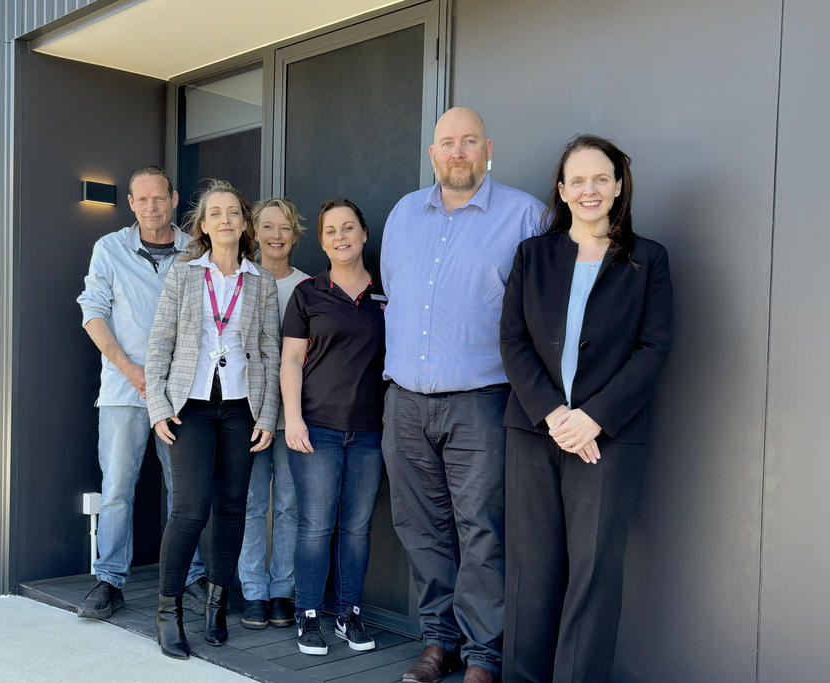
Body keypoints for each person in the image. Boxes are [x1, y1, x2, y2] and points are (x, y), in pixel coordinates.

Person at [499, 135, 672, 682]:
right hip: (534, 433)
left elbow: (655, 347)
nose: (589, 190)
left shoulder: (649, 259)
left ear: (619, 185)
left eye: (601, 178)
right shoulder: (533, 254)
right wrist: (554, 415)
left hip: (608, 440)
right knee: (530, 572)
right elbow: (513, 340)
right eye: (578, 180)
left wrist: (592, 418)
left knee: (594, 574)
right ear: (562, 189)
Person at [380, 107, 545, 683]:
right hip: (403, 401)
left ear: (487, 148)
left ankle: (484, 655)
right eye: (447, 143)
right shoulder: (404, 214)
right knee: (420, 526)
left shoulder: (525, 215)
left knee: (482, 527)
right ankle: (439, 641)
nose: (457, 152)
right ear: (432, 153)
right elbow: (396, 297)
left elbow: (539, 314)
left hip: (483, 400)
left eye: (468, 142)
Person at [145, 179, 281, 659]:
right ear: (203, 225)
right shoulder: (183, 275)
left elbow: (268, 349)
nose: (225, 220)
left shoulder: (261, 282)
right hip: (191, 408)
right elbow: (160, 343)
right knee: (189, 510)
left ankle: (218, 607)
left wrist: (267, 413)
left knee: (231, 508)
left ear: (245, 225)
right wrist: (158, 407)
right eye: (215, 213)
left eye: (233, 213)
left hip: (242, 407)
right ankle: (168, 613)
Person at [76, 165, 206, 619]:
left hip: (183, 395)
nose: (152, 207)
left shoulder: (197, 250)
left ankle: (191, 578)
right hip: (123, 391)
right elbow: (93, 314)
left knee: (183, 490)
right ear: (131, 203)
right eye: (142, 199)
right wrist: (131, 369)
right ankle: (109, 581)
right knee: (116, 489)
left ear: (173, 198)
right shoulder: (109, 249)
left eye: (159, 198)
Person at [281, 198, 386, 656]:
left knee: (357, 528)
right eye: (330, 231)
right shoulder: (308, 292)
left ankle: (349, 614)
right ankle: (308, 614)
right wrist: (293, 419)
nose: (340, 237)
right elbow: (290, 360)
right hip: (317, 427)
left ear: (364, 233)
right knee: (316, 526)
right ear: (321, 241)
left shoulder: (386, 292)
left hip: (370, 431)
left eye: (348, 228)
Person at [237, 198, 310, 631]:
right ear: (255, 232)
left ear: (294, 234)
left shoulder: (309, 287)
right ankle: (253, 591)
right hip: (246, 411)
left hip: (292, 415)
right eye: (267, 227)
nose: (276, 236)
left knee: (288, 504)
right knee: (250, 504)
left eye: (284, 228)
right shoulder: (240, 281)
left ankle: (282, 591)